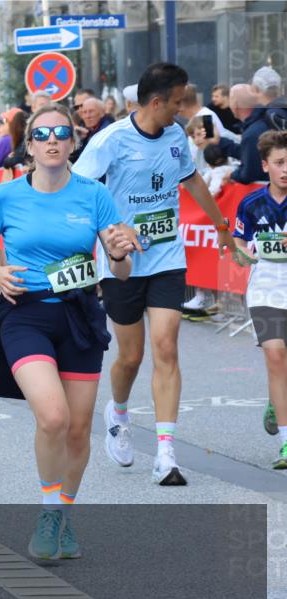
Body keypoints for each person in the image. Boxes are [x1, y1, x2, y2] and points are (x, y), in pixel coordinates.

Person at [0, 103, 138, 559]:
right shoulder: (7, 196)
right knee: (54, 417)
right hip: (26, 314)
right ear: (29, 145)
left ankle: (64, 513)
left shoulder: (93, 195)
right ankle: (47, 510)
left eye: (61, 133)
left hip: (80, 316)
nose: (52, 140)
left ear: (72, 142)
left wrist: (121, 254)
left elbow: (120, 271)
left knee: (79, 430)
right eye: (42, 134)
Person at [73, 62, 232, 485]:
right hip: (122, 264)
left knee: (166, 347)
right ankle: (119, 414)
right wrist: (112, 231)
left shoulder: (176, 135)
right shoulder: (110, 141)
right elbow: (77, 193)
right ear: (157, 101)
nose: (182, 111)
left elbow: (193, 181)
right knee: (131, 357)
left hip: (167, 257)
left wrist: (221, 228)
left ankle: (165, 453)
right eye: (177, 103)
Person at [231, 130, 287, 469]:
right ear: (265, 165)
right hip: (266, 288)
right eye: (280, 163)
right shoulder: (251, 203)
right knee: (276, 355)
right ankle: (285, 443)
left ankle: (275, 399)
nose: (286, 169)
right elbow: (238, 242)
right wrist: (243, 256)